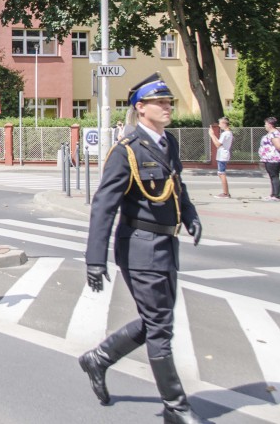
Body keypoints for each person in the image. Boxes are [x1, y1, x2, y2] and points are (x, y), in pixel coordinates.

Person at [78, 74, 205, 424]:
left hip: (166, 244)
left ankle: (99, 358)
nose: (167, 107)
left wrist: (190, 216)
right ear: (140, 108)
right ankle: (176, 408)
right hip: (138, 247)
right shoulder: (127, 150)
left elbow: (177, 187)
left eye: (169, 102)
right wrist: (94, 259)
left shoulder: (168, 144)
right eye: (160, 103)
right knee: (161, 326)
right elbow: (104, 205)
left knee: (156, 321)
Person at [259, 117, 280, 201]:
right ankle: (273, 194)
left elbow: (278, 145)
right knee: (272, 177)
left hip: (273, 158)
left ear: (270, 125)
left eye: (265, 124)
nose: (264, 125)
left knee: (274, 176)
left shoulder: (274, 134)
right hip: (269, 158)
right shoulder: (271, 133)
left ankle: (276, 196)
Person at [208, 117, 233, 198]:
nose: (219, 125)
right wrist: (213, 135)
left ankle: (225, 193)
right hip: (223, 155)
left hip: (223, 155)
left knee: (221, 173)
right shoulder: (228, 133)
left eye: (220, 123)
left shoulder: (225, 134)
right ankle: (226, 193)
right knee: (221, 173)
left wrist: (212, 135)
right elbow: (219, 143)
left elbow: (217, 144)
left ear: (224, 123)